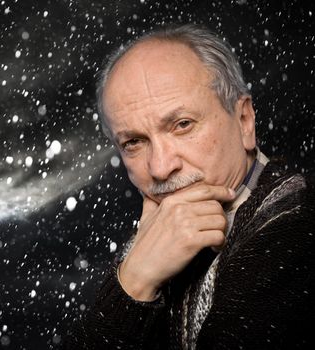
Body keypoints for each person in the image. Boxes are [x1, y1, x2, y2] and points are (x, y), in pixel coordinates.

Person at [64, 24, 315, 349]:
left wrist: (134, 284)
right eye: (134, 142)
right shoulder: (156, 246)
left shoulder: (295, 234)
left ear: (244, 121)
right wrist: (134, 280)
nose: (161, 167)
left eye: (182, 125)